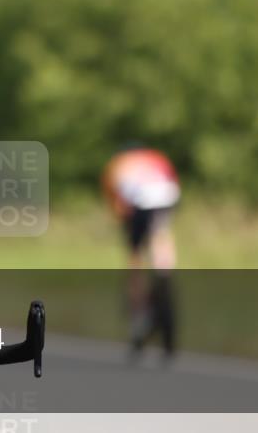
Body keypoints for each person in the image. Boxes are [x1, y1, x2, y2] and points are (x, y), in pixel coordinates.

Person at [102, 144, 180, 360]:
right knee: (161, 239)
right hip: (166, 196)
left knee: (135, 260)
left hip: (138, 204)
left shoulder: (118, 163)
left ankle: (139, 313)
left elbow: (118, 205)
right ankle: (163, 269)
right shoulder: (157, 157)